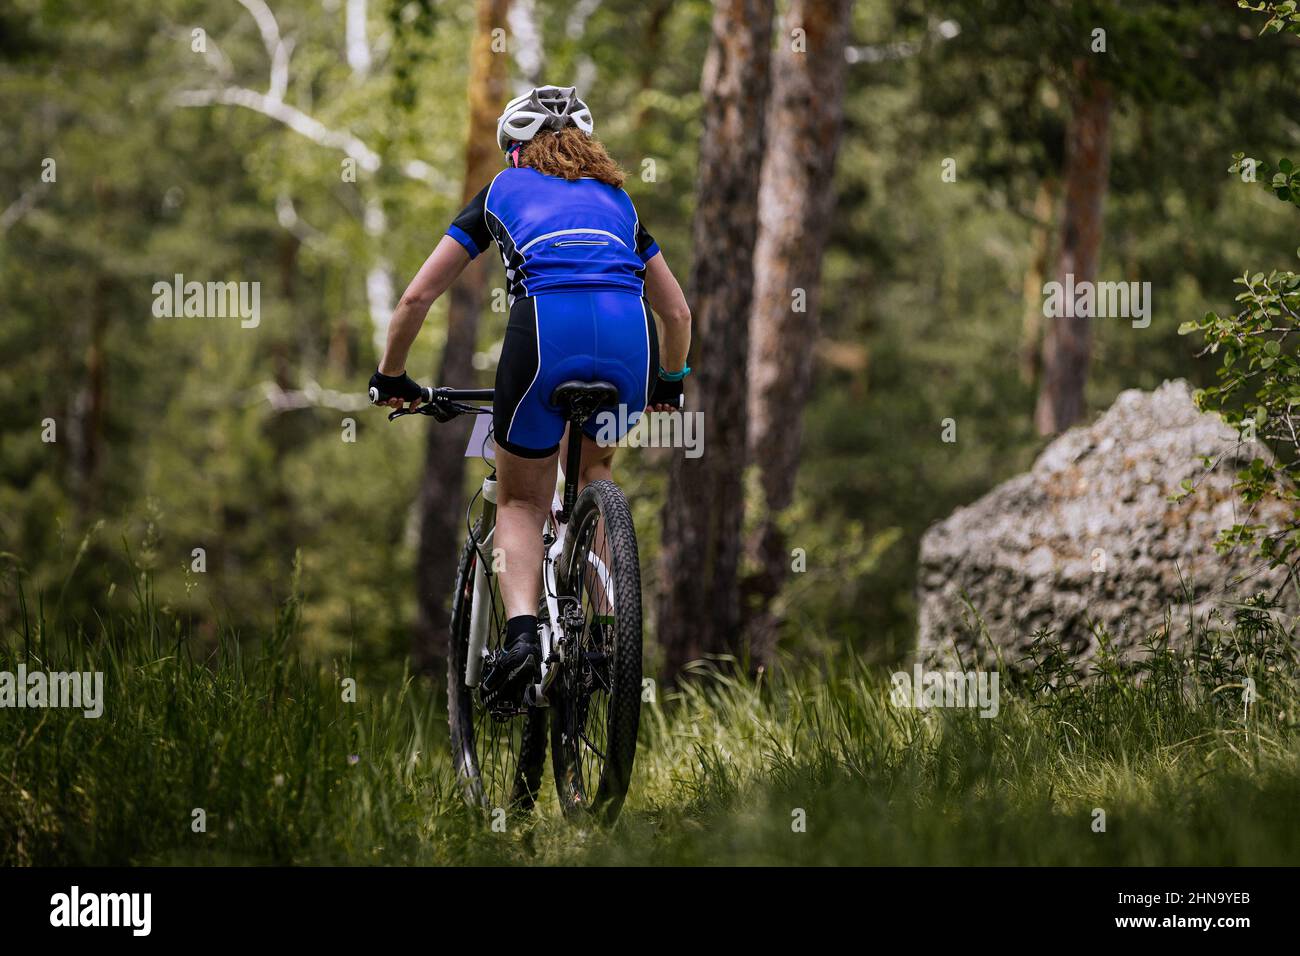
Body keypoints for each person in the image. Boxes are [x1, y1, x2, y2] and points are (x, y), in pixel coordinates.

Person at [368, 85, 692, 707]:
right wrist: (670, 386)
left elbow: (415, 298)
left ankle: (520, 640)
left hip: (546, 338)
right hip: (631, 345)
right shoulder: (620, 200)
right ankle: (601, 634)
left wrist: (393, 376)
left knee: (519, 500)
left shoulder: (500, 191)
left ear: (515, 151)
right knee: (593, 467)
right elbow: (675, 310)